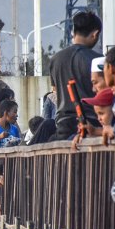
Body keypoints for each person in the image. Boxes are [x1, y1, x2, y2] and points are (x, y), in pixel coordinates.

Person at [47, 9, 102, 139]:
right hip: (92, 124)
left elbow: (54, 92)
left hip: (63, 125)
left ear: (74, 32)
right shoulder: (97, 60)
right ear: (95, 34)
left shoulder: (56, 59)